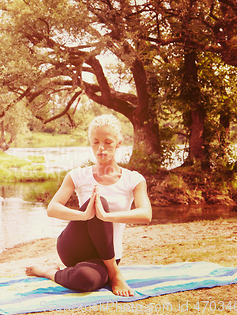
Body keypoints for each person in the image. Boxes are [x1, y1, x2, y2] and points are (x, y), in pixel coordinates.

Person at [25, 114, 152, 297]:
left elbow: (145, 214)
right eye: (96, 142)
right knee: (98, 202)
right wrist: (84, 215)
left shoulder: (134, 179)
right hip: (74, 247)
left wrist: (106, 217)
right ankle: (115, 274)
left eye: (108, 142)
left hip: (108, 255)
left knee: (85, 280)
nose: (101, 148)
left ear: (118, 143)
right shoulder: (77, 175)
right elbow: (52, 208)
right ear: (90, 143)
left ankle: (48, 272)